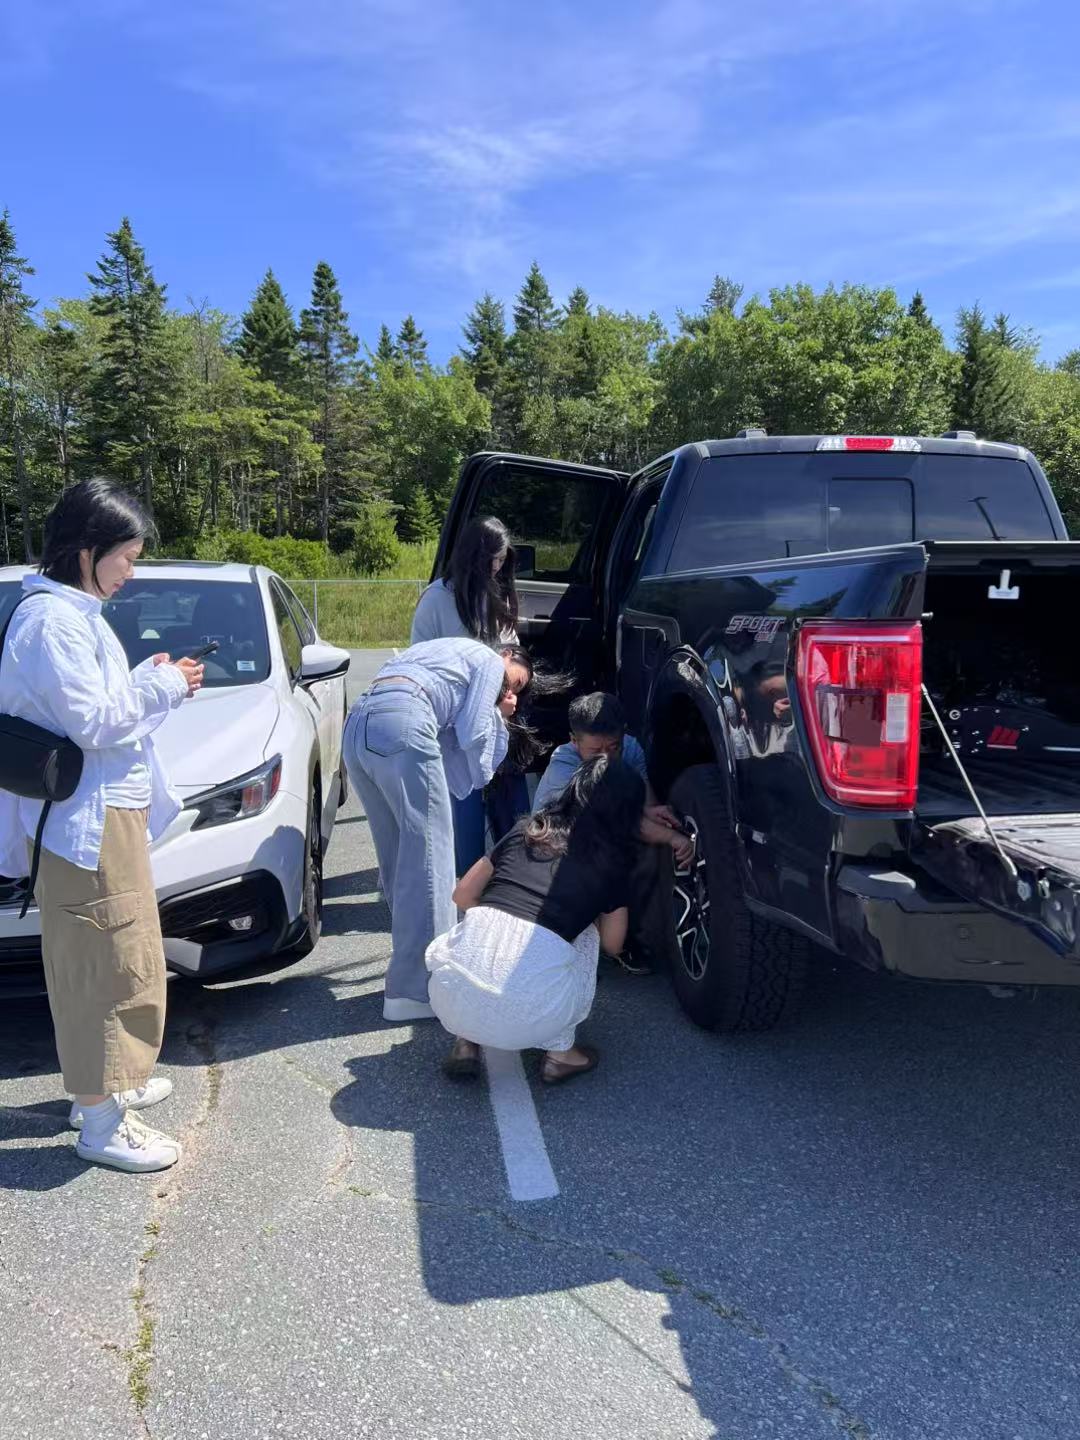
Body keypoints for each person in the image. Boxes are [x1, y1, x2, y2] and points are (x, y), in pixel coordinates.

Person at [0, 479, 204, 1174]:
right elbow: (94, 723)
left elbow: (90, 710)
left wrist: (150, 678)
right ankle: (99, 1117)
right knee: (101, 965)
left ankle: (116, 1078)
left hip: (100, 813)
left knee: (123, 952)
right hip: (87, 820)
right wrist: (167, 683)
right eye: (127, 555)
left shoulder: (68, 614)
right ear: (87, 551)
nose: (132, 570)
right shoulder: (53, 622)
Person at [344, 636, 533, 1022]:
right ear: (508, 656)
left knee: (399, 859)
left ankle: (408, 974)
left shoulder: (444, 654)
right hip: (404, 721)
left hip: (360, 723)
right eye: (515, 682)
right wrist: (500, 714)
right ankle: (420, 989)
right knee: (432, 860)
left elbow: (449, 742)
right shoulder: (488, 661)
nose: (511, 692)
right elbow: (472, 734)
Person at [426, 755, 644, 1084]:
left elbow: (462, 895)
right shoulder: (611, 865)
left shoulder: (526, 830)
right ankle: (560, 1055)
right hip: (532, 1015)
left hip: (448, 998)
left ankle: (466, 1042)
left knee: (484, 916)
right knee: (586, 935)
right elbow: (613, 944)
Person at [532, 692, 693, 970]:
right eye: (596, 751)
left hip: (600, 838)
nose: (606, 757)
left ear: (624, 735)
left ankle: (631, 933)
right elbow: (611, 819)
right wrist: (671, 836)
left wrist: (652, 813)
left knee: (648, 846)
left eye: (613, 748)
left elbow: (644, 801)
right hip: (561, 850)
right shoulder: (563, 765)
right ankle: (602, 938)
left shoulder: (630, 748)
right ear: (574, 741)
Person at [410, 515, 531, 874]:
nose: (497, 568)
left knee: (512, 794)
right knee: (464, 804)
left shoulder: (499, 593)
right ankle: (466, 879)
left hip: (498, 711)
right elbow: (420, 660)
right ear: (472, 557)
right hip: (453, 722)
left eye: (502, 560)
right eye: (492, 560)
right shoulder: (436, 600)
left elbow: (512, 647)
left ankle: (515, 871)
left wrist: (509, 692)